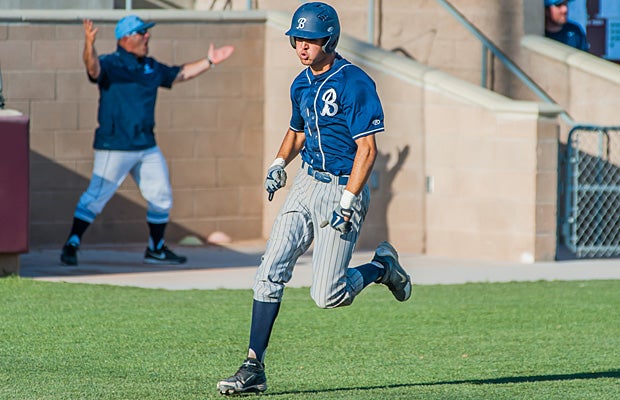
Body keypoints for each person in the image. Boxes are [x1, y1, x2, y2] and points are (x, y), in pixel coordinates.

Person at [216, 2, 412, 395]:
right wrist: (278, 163)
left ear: (330, 39)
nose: (302, 46)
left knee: (328, 296)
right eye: (297, 39)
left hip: (343, 189)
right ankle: (254, 366)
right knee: (269, 269)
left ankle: (382, 268)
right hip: (306, 183)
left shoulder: (354, 82)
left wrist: (348, 202)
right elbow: (297, 131)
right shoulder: (301, 83)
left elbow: (367, 150)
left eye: (310, 39)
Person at [60, 15, 234, 266]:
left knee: (161, 195)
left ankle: (156, 248)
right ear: (126, 38)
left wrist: (210, 61)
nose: (147, 37)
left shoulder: (150, 66)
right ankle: (72, 243)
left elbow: (179, 74)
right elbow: (92, 68)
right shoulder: (110, 63)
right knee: (95, 197)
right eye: (142, 33)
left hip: (146, 145)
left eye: (146, 33)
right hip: (115, 146)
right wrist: (89, 43)